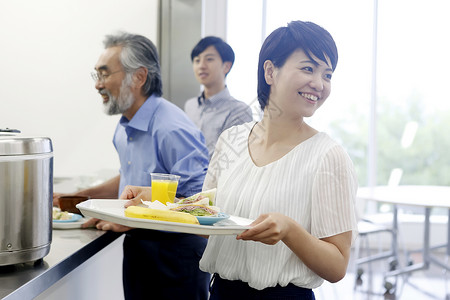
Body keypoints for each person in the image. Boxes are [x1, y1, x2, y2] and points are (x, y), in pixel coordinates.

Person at [121, 20, 358, 299]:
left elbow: (337, 265)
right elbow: (209, 219)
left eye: (327, 75)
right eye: (308, 68)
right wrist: (158, 200)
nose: (319, 84)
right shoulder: (231, 140)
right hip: (222, 292)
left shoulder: (328, 156)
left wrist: (290, 230)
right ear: (270, 71)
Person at [55, 32, 211, 300]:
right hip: (139, 249)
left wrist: (137, 217)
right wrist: (81, 198)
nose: (98, 85)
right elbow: (128, 177)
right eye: (97, 75)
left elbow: (201, 200)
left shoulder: (170, 128)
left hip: (177, 257)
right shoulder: (126, 124)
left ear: (139, 77)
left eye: (104, 74)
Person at [184, 36, 253, 158]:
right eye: (197, 60)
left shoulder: (240, 111)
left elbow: (230, 158)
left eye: (209, 59)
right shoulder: (190, 105)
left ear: (226, 66)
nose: (201, 66)